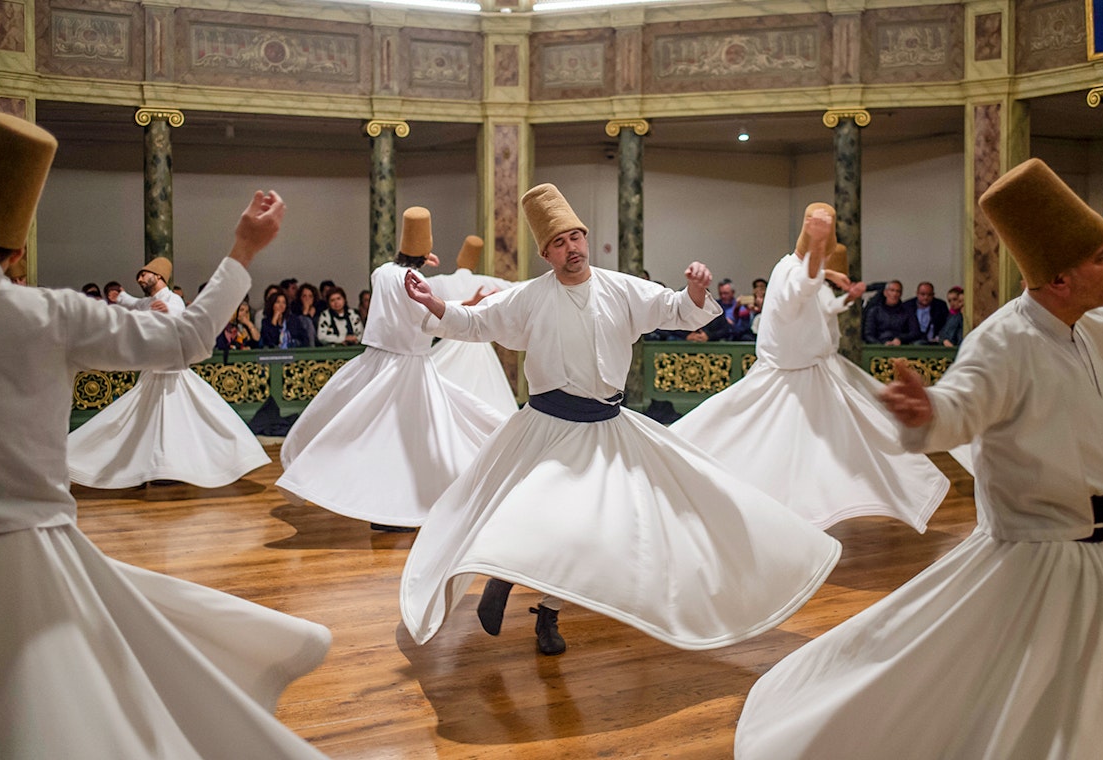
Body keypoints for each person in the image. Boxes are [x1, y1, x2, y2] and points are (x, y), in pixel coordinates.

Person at [736, 158, 1103, 759]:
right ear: (1059, 279)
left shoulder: (1088, 326)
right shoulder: (1005, 342)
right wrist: (927, 414)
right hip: (1036, 557)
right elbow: (961, 404)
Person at [0, 112, 328, 759]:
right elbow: (188, 339)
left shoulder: (52, 313)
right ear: (18, 251)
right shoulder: (44, 314)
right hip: (29, 547)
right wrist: (244, 248)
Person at [399, 183, 840, 657]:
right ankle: (502, 576)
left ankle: (545, 612)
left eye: (576, 238)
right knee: (534, 509)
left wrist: (693, 291)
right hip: (546, 425)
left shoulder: (620, 287)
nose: (572, 249)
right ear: (546, 253)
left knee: (588, 529)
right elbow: (478, 322)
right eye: (560, 243)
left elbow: (672, 309)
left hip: (605, 427)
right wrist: (435, 305)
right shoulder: (529, 297)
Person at [672, 204, 949, 532]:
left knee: (842, 444)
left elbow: (821, 301)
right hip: (786, 382)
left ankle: (802, 513)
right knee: (756, 445)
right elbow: (799, 288)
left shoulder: (800, 271)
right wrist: (818, 251)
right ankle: (768, 514)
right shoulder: (791, 271)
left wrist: (839, 286)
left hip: (811, 376)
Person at [276, 207, 504, 530]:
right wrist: (464, 305)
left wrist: (417, 258)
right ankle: (401, 507)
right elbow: (428, 318)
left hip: (377, 361)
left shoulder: (381, 272)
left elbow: (398, 285)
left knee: (370, 433)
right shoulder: (415, 280)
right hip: (408, 367)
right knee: (417, 438)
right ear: (425, 249)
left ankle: (377, 504)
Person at [67, 254, 271, 489]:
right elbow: (134, 303)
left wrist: (167, 315)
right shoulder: (150, 301)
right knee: (149, 421)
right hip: (155, 373)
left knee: (185, 419)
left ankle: (181, 465)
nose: (141, 279)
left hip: (171, 374)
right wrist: (120, 296)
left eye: (144, 275)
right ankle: (153, 466)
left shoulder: (173, 301)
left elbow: (182, 324)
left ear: (158, 276)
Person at [427, 235, 519, 417]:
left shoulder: (441, 282)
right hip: (477, 344)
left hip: (453, 343)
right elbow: (517, 288)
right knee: (485, 394)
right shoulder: (484, 282)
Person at [862, 279, 920, 344]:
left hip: (902, 348)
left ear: (901, 294)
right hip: (878, 348)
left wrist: (900, 339)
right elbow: (868, 335)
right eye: (892, 290)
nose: (895, 294)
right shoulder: (874, 311)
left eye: (898, 291)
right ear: (885, 293)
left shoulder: (908, 311)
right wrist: (881, 344)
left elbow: (915, 333)